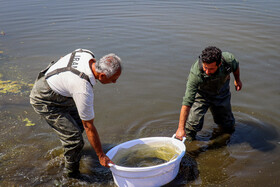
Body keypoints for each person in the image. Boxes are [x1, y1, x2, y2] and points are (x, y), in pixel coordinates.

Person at [30, 48, 122, 178]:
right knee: (75, 139)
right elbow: (89, 126)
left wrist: (65, 81)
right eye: (113, 79)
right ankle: (71, 175)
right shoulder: (83, 89)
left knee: (77, 123)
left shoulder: (86, 54)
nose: (115, 82)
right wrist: (101, 155)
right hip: (44, 98)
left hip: (54, 84)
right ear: (101, 76)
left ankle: (69, 152)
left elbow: (63, 57)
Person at [175, 46, 242, 141]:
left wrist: (237, 80)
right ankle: (189, 146)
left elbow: (235, 67)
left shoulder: (229, 60)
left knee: (227, 124)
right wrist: (180, 128)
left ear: (219, 65)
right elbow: (187, 102)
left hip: (221, 91)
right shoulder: (196, 73)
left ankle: (224, 141)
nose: (207, 71)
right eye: (205, 67)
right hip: (202, 94)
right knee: (192, 125)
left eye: (211, 69)